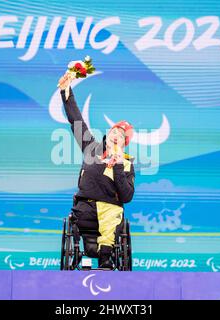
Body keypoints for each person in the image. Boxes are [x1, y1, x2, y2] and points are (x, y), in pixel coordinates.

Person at [58, 72, 135, 269]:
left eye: (121, 135)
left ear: (124, 143)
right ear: (108, 135)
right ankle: (96, 255)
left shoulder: (126, 164)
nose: (116, 135)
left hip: (110, 210)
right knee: (98, 212)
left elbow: (126, 196)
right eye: (114, 131)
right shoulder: (91, 148)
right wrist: (66, 92)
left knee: (112, 213)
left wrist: (117, 165)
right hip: (85, 209)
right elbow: (76, 121)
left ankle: (105, 257)